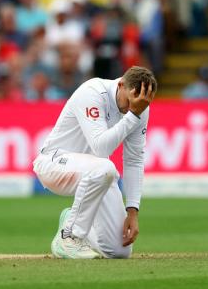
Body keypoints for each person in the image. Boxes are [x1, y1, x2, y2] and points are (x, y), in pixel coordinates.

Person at [32, 66, 157, 259]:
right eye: (130, 100)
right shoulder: (92, 92)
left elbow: (134, 160)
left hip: (96, 175)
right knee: (106, 167)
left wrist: (133, 212)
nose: (132, 106)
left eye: (141, 103)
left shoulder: (140, 106)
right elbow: (101, 148)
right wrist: (133, 115)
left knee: (119, 250)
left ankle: (70, 220)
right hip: (54, 163)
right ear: (121, 84)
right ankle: (69, 237)